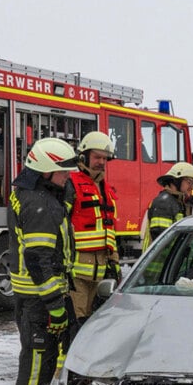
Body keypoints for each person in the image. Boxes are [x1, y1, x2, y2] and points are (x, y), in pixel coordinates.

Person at [7, 137, 76, 385]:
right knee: (37, 361)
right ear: (46, 171)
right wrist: (55, 306)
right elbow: (38, 259)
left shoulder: (29, 193)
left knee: (38, 358)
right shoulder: (41, 205)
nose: (67, 177)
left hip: (30, 297)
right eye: (63, 172)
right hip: (39, 299)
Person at [64, 131, 119, 325]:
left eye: (105, 158)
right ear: (83, 157)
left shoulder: (106, 189)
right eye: (97, 157)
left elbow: (110, 231)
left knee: (94, 324)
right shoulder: (71, 184)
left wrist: (114, 264)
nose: (101, 162)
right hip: (76, 274)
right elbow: (61, 227)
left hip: (101, 271)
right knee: (75, 323)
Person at [141, 162, 193, 251]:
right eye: (189, 182)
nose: (191, 187)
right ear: (176, 180)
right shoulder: (164, 203)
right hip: (160, 263)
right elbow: (162, 240)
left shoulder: (177, 203)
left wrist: (189, 207)